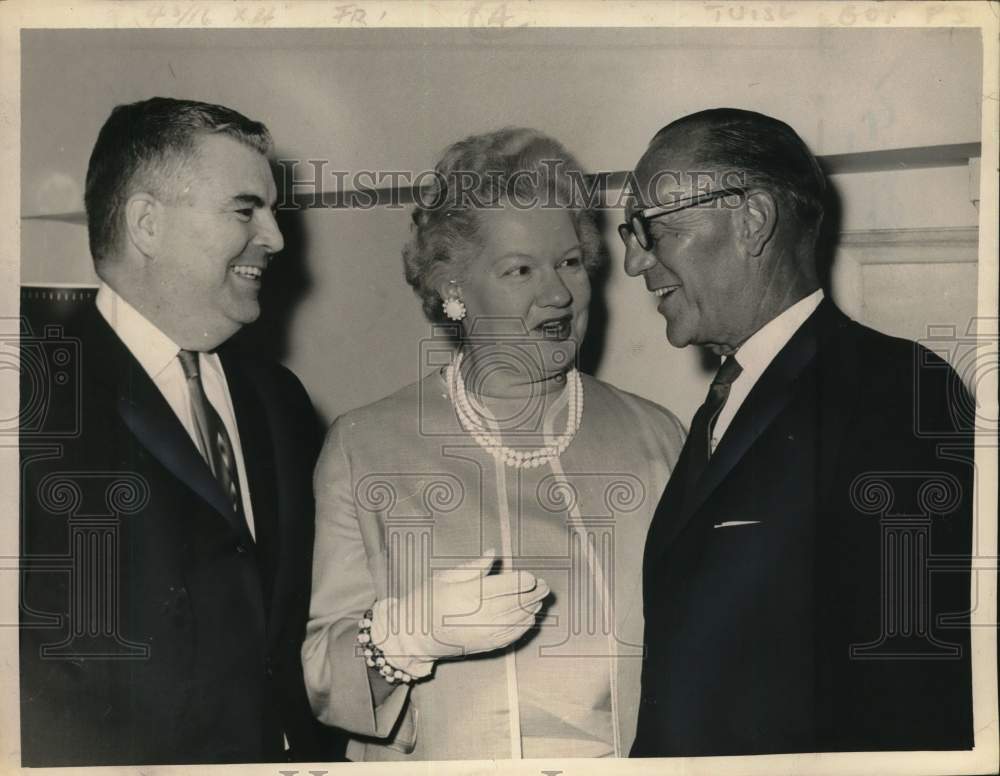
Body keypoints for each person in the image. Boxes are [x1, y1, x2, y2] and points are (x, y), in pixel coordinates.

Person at [302, 127, 686, 760]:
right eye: (520, 270)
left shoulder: (655, 436)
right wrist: (405, 639)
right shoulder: (364, 445)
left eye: (569, 262)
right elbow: (322, 674)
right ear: (453, 288)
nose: (559, 293)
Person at [622, 108, 975, 757]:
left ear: (751, 221)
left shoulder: (893, 387)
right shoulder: (726, 401)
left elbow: (914, 675)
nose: (631, 260)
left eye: (651, 229)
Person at [19, 97, 342, 765]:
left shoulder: (280, 403)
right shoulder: (34, 400)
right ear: (146, 223)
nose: (277, 238)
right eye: (245, 209)